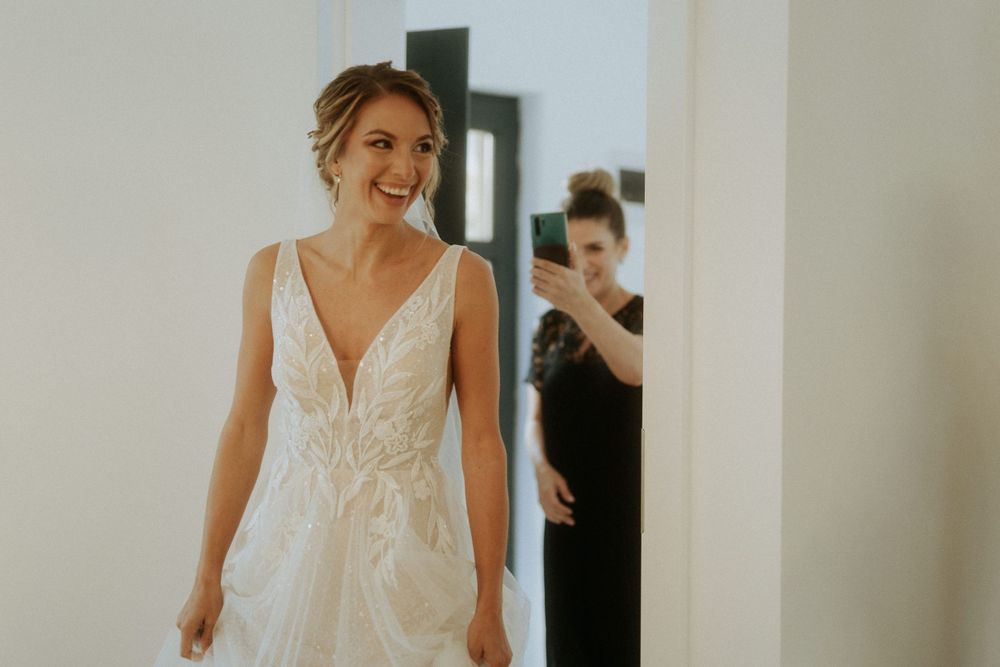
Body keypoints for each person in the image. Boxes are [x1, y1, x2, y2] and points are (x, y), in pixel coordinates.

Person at [153, 62, 528, 666]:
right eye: (381, 144)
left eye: (422, 148)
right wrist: (208, 574)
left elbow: (483, 444)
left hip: (409, 570)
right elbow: (245, 427)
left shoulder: (463, 278)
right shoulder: (271, 272)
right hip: (283, 562)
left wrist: (488, 601)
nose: (406, 170)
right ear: (335, 156)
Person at [526, 169, 643, 666]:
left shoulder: (647, 315)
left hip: (628, 522)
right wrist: (540, 469)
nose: (583, 261)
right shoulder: (552, 325)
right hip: (566, 520)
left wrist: (579, 302)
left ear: (623, 248)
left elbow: (635, 369)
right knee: (568, 648)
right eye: (573, 249)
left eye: (595, 247)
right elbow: (534, 418)